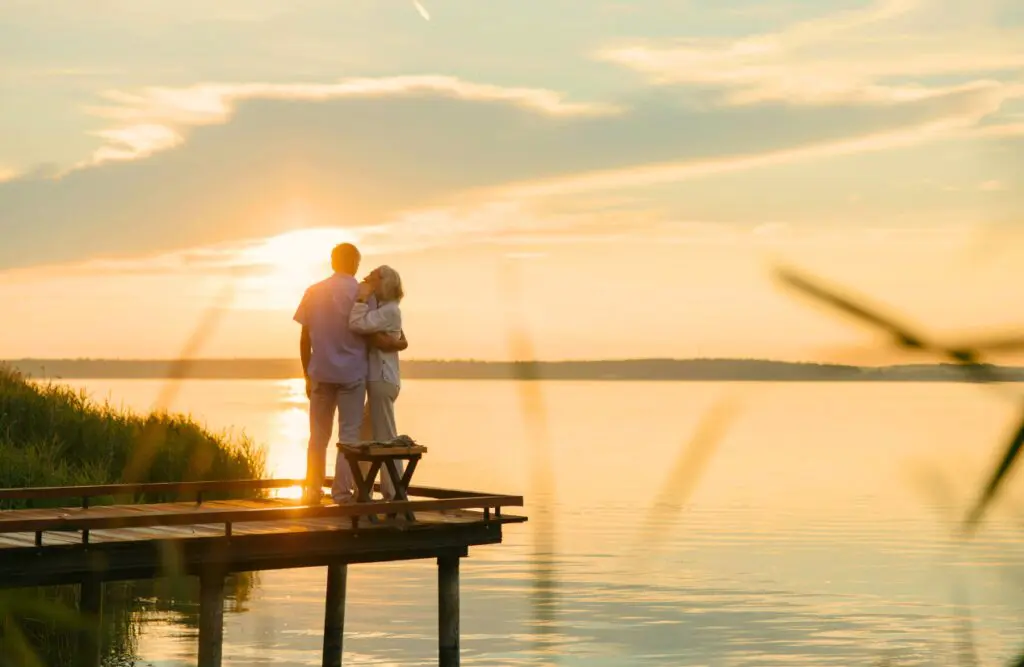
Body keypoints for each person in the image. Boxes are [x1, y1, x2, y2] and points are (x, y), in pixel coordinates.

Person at [293, 243, 405, 505]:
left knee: (317, 437)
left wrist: (306, 375)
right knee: (349, 438)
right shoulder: (364, 293)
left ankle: (312, 491)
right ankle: (341, 495)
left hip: (320, 372)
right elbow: (376, 333)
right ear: (355, 263)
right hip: (353, 375)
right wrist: (398, 343)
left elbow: (304, 337)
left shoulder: (313, 291)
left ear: (333, 262)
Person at [349, 265, 406, 500]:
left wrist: (361, 298)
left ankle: (394, 494)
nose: (368, 277)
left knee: (386, 439)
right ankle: (363, 490)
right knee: (366, 436)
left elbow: (356, 324)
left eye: (373, 275)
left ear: (383, 282)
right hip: (380, 380)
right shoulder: (385, 309)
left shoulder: (390, 310)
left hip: (382, 380)